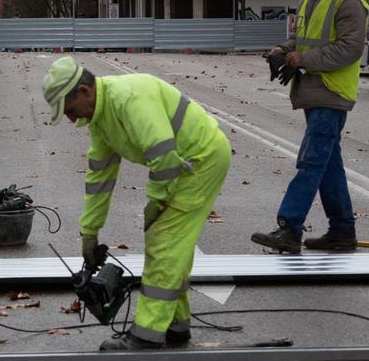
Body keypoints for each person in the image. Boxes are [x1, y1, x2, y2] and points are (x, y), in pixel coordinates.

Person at [43, 56, 231, 350]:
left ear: (84, 92)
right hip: (183, 165)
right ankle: (175, 325)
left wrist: (155, 205)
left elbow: (165, 157)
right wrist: (89, 234)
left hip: (200, 160)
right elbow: (99, 181)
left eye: (69, 110)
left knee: (164, 243)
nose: (71, 119)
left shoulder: (128, 98)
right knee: (172, 245)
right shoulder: (100, 120)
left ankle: (146, 335)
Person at [251, 0, 368, 254]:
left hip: (332, 93)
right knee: (328, 166)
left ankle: (290, 228)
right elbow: (300, 41)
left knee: (311, 162)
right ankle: (342, 232)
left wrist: (302, 60)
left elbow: (350, 49)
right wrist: (281, 51)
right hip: (314, 93)